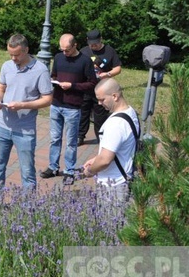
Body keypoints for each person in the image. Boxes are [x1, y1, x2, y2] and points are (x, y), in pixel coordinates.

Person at [0, 34, 53, 191]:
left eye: (16, 55)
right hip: (2, 126)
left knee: (27, 172)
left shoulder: (41, 70)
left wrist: (23, 105)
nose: (13, 58)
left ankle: (28, 209)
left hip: (25, 130)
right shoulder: (7, 66)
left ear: (26, 50)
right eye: (10, 54)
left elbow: (47, 99)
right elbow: (1, 88)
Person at [41, 34, 98, 185]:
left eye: (67, 50)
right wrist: (52, 81)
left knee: (71, 141)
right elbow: (54, 74)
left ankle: (69, 170)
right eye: (62, 49)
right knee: (54, 139)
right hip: (57, 103)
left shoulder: (85, 61)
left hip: (73, 106)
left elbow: (92, 83)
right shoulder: (58, 57)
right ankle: (53, 167)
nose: (64, 53)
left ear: (75, 45)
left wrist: (72, 86)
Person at [83, 78, 139, 210]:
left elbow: (105, 160)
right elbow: (117, 148)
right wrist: (96, 158)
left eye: (102, 99)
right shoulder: (130, 113)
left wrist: (90, 171)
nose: (99, 103)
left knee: (111, 225)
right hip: (124, 178)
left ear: (115, 96)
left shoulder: (115, 124)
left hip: (113, 184)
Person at [79, 29, 122, 145]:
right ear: (87, 41)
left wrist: (107, 74)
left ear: (101, 39)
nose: (93, 46)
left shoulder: (109, 51)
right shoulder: (83, 51)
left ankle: (101, 137)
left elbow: (118, 68)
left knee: (100, 116)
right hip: (86, 87)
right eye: (91, 44)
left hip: (102, 88)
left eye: (96, 44)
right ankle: (80, 136)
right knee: (83, 113)